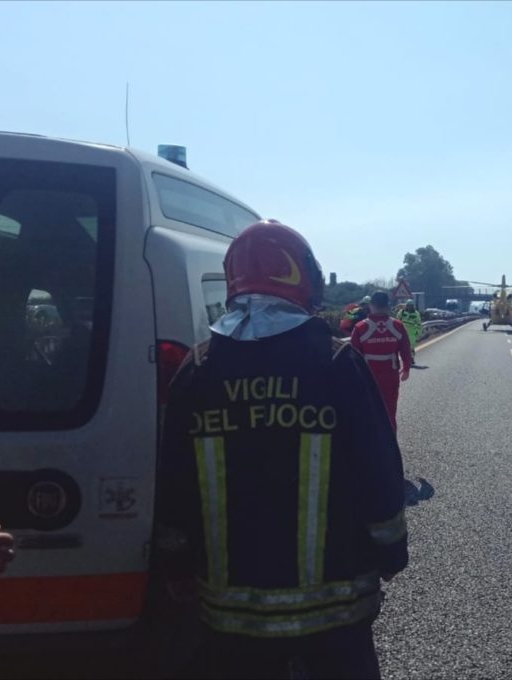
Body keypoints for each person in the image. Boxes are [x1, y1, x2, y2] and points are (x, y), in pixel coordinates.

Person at [156, 220, 408, 679]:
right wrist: (392, 551)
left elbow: (173, 479)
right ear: (305, 279)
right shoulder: (335, 363)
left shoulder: (197, 370)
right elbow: (378, 469)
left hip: (231, 623)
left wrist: (174, 565)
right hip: (336, 618)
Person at [349, 291, 412, 433]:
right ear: (387, 306)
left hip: (367, 377)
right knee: (390, 411)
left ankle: (370, 442)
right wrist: (406, 368)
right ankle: (390, 443)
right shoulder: (397, 325)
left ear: (371, 305)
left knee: (368, 412)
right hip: (391, 376)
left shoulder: (360, 327)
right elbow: (405, 348)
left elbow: (352, 355)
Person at [397, 299, 423, 365]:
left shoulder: (416, 313)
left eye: (411, 305)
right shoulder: (401, 312)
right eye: (408, 305)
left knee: (411, 347)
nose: (410, 307)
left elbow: (419, 324)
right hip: (403, 332)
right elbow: (397, 321)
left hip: (412, 333)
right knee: (402, 347)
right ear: (406, 305)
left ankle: (411, 358)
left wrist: (418, 332)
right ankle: (404, 359)